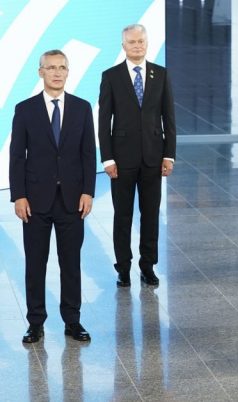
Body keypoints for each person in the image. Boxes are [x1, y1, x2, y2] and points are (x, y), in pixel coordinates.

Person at [9, 50, 96, 343]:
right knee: (36, 264)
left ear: (68, 72)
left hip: (72, 200)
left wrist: (88, 191)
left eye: (62, 67)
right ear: (41, 72)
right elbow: (17, 156)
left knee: (71, 263)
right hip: (35, 201)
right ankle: (35, 323)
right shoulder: (25, 109)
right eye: (51, 68)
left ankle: (72, 321)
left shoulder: (82, 108)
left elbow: (88, 154)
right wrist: (19, 196)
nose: (57, 73)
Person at [98, 24, 176, 287]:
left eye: (141, 41)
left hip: (153, 157)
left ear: (147, 42)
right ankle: (123, 267)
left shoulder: (160, 74)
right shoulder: (111, 76)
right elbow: (104, 121)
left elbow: (169, 117)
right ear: (124, 46)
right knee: (122, 215)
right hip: (121, 160)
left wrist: (169, 155)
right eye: (132, 42)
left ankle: (148, 266)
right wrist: (107, 158)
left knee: (151, 215)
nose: (137, 46)